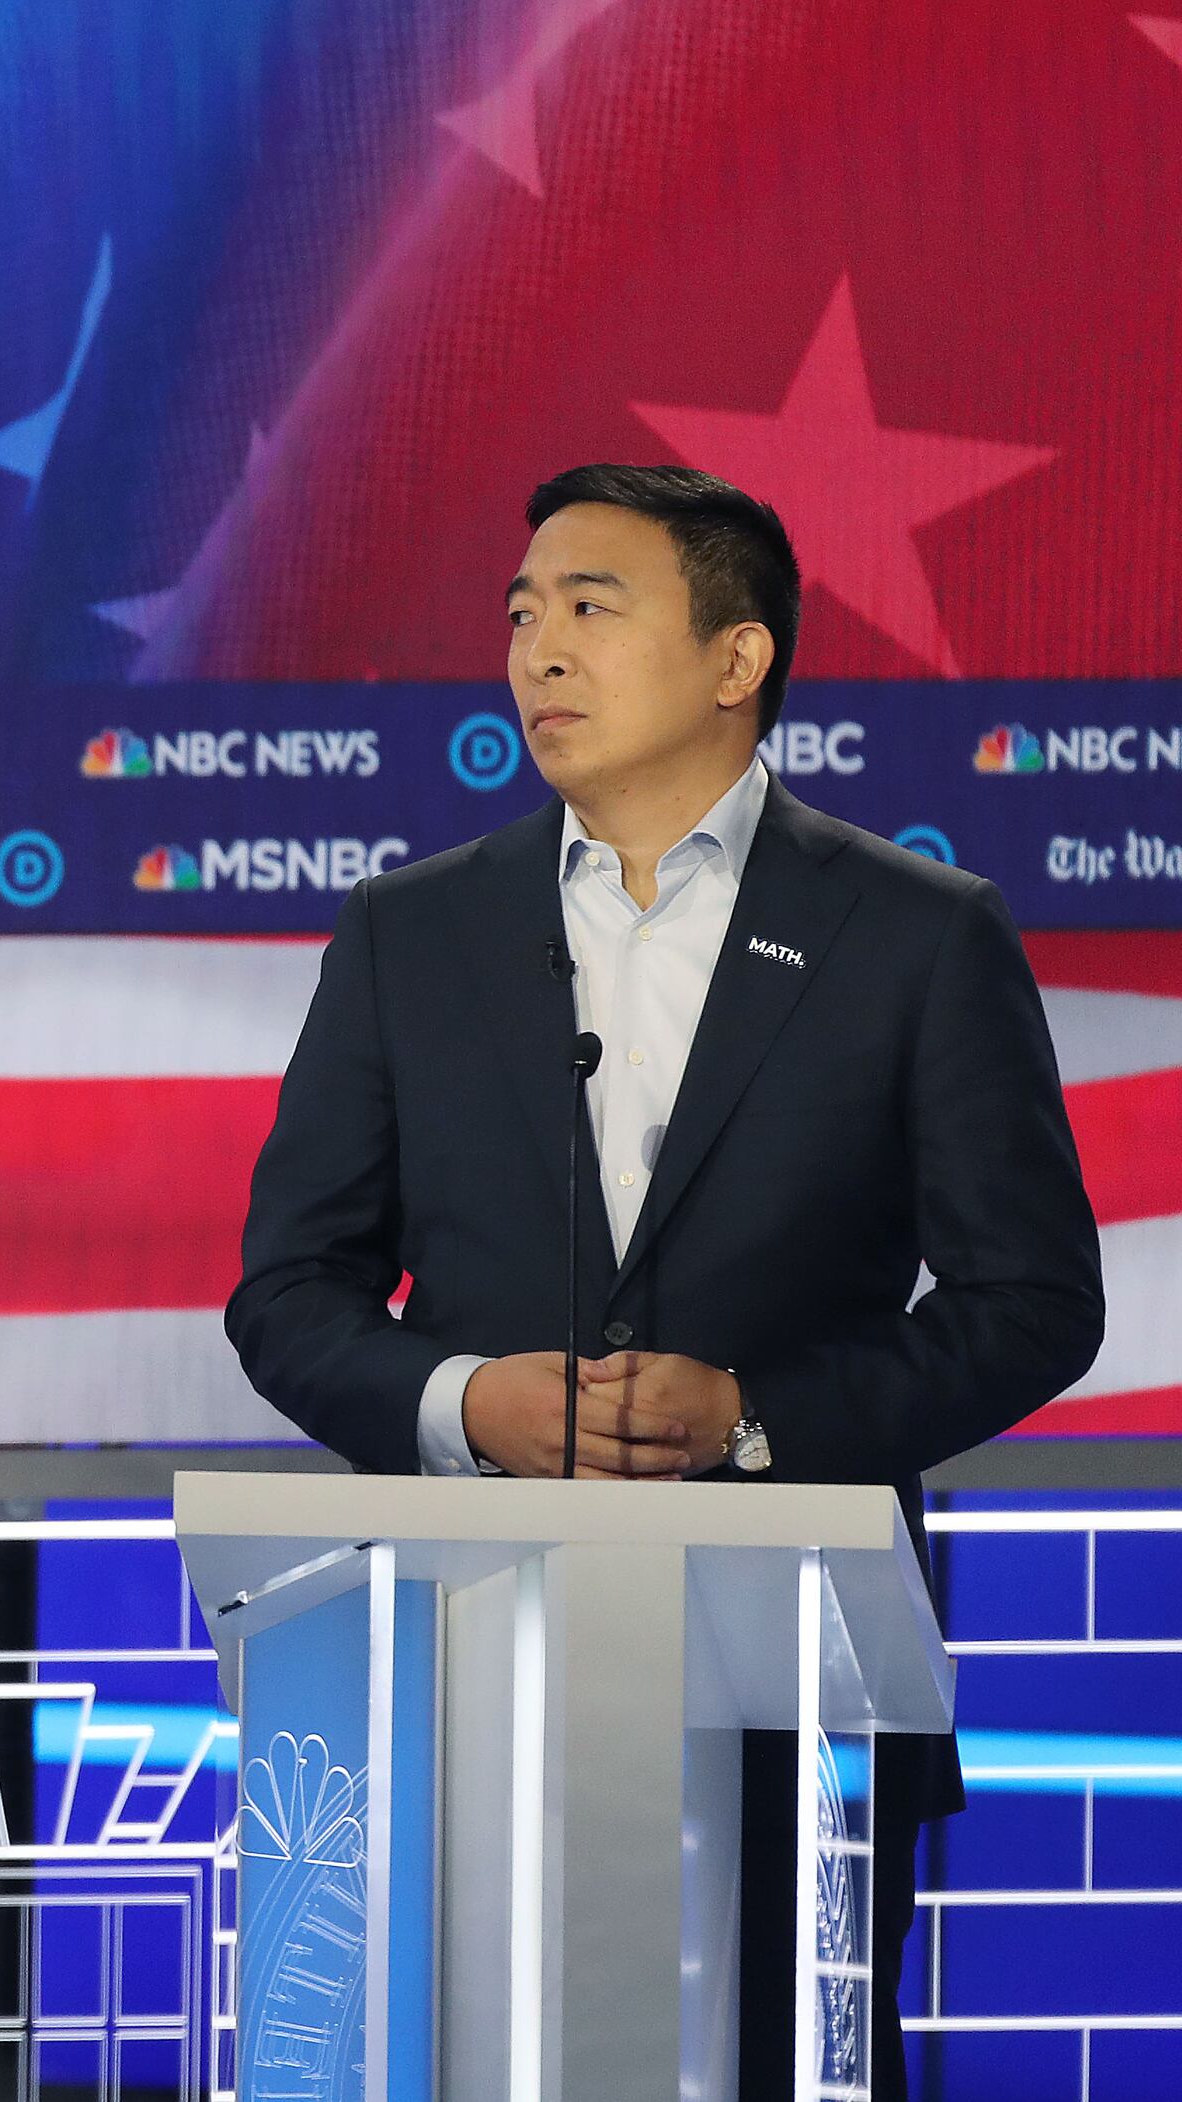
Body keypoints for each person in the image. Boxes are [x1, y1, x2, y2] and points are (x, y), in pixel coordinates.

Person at [227, 464, 1105, 2096]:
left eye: (589, 606)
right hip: (452, 1661)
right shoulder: (411, 934)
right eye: (518, 612)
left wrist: (755, 1421)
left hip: (799, 1694)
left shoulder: (918, 934)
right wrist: (460, 1403)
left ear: (736, 658)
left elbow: (1037, 1301)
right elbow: (287, 1293)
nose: (533, 649)